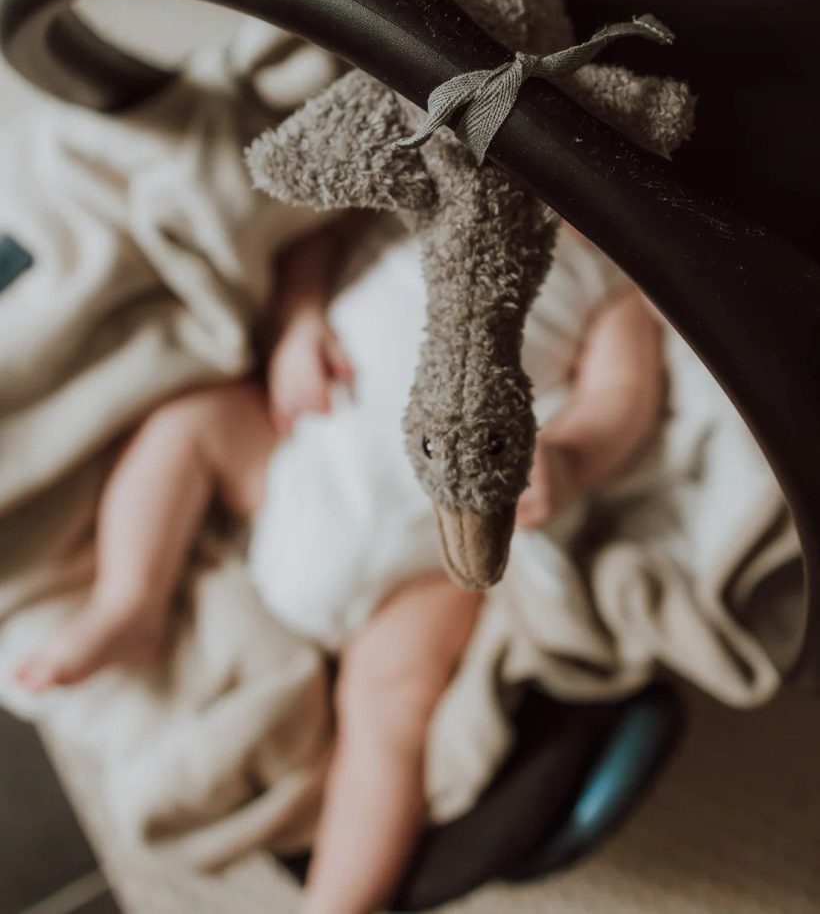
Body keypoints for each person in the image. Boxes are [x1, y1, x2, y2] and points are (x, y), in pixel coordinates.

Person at [16, 215, 664, 914]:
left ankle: (336, 903)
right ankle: (130, 601)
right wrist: (298, 327)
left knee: (390, 709)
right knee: (189, 424)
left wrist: (572, 460)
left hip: (431, 555)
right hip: (303, 462)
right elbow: (313, 238)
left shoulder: (613, 283)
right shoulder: (439, 192)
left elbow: (621, 397)